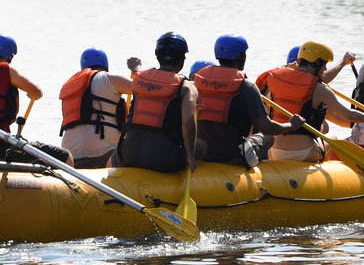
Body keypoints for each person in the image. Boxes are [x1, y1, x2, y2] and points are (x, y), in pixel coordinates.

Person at [261, 40, 364, 161]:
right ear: (317, 63)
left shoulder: (274, 79)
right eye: (324, 64)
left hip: (274, 151)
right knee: (333, 138)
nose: (325, 68)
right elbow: (348, 115)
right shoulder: (320, 89)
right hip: (303, 153)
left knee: (322, 127)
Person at [194, 34, 303, 168]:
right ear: (240, 56)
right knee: (268, 138)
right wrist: (291, 125)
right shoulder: (246, 86)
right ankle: (260, 175)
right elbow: (267, 128)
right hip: (231, 156)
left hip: (202, 153)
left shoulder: (198, 82)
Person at [0, 33, 74, 165]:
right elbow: (37, 92)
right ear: (9, 56)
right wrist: (31, 94)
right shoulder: (4, 69)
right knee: (65, 156)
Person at [114, 31, 202, 173]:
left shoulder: (139, 79)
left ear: (157, 55)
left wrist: (135, 67)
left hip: (129, 155)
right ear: (183, 58)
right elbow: (188, 120)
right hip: (165, 159)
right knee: (202, 145)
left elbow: (139, 72)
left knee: (113, 156)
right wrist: (190, 156)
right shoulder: (186, 87)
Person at [59, 47, 131, 169]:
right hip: (105, 155)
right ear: (106, 65)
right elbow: (142, 89)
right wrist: (136, 70)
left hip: (71, 158)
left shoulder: (69, 87)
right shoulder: (107, 78)